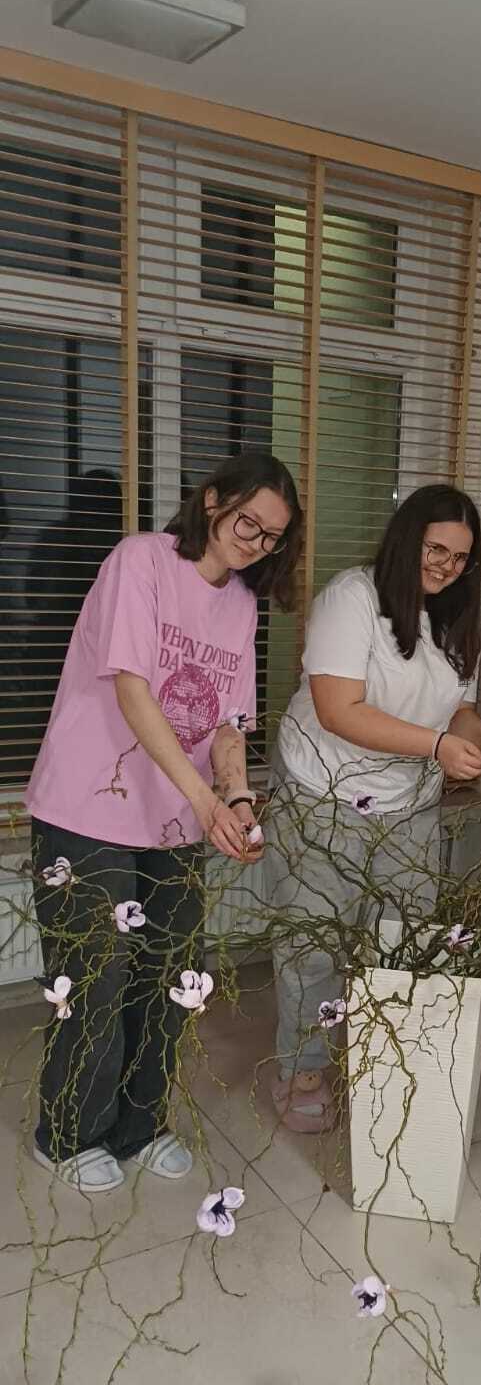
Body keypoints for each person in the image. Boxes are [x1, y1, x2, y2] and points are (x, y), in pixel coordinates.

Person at [26, 451, 303, 1192]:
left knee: (169, 971)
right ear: (212, 502)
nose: (256, 543)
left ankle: (138, 1125)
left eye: (272, 536)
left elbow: (228, 723)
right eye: (248, 523)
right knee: (95, 974)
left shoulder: (240, 603)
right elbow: (133, 690)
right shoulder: (140, 561)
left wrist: (236, 799)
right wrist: (204, 799)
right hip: (87, 808)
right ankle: (67, 1135)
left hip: (176, 819)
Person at [266, 482, 481, 1132]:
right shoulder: (353, 598)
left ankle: (384, 1062)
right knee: (314, 944)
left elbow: (457, 708)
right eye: (436, 549)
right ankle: (302, 1068)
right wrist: (437, 746)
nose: (447, 566)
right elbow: (337, 709)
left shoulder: (455, 619)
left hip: (409, 803)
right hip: (323, 792)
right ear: (407, 540)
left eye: (460, 557)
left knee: (403, 940)